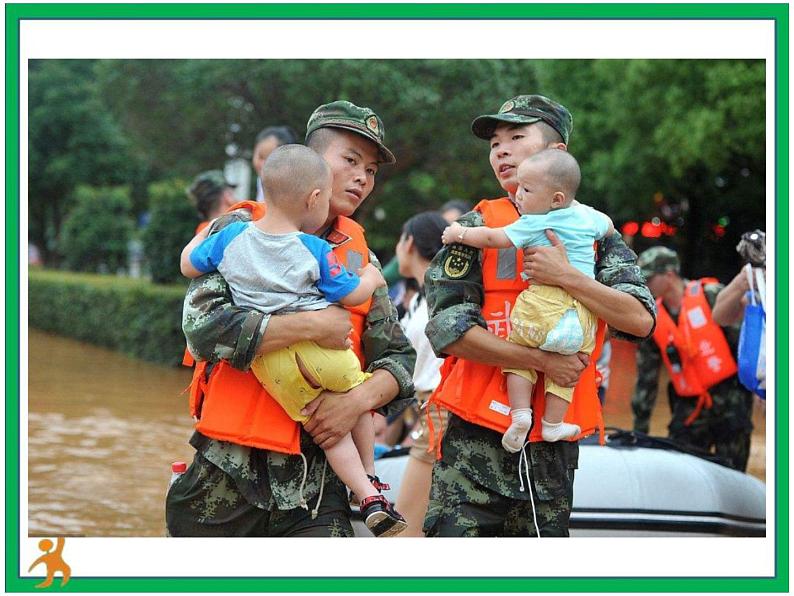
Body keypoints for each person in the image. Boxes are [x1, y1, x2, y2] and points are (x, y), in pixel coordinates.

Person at [166, 100, 416, 538]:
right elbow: (203, 328)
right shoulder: (239, 231)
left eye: (371, 170)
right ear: (311, 162)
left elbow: (399, 359)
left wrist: (355, 401)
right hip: (226, 482)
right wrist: (314, 326)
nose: (362, 177)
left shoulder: (361, 262)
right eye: (351, 160)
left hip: (316, 491)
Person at [423, 94, 656, 537]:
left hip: (551, 458)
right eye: (495, 143)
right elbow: (449, 330)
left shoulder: (593, 231)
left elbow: (640, 320)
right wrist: (540, 361)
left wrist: (568, 276)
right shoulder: (475, 229)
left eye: (516, 137)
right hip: (473, 451)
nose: (501, 151)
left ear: (556, 152)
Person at [441, 149, 614, 450]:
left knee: (520, 355)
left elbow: (493, 238)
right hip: (581, 317)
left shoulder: (535, 222)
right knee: (568, 367)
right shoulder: (587, 217)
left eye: (527, 189)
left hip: (542, 307)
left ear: (556, 199)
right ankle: (553, 423)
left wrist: (460, 233)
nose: (518, 194)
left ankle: (520, 414)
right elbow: (609, 226)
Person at [631, 246, 753, 471]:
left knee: (733, 471)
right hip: (688, 408)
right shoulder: (651, 317)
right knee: (684, 472)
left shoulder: (710, 295)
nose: (645, 285)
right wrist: (639, 431)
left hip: (730, 400)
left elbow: (745, 344)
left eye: (649, 279)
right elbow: (646, 377)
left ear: (669, 275)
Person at [392, 211, 448, 536]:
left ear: (409, 242)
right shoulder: (423, 295)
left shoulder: (441, 294)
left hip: (440, 413)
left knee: (404, 530)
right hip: (429, 411)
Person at [252, 125, 298, 202]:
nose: (263, 164)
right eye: (260, 157)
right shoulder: (261, 180)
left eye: (270, 159)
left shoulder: (289, 188)